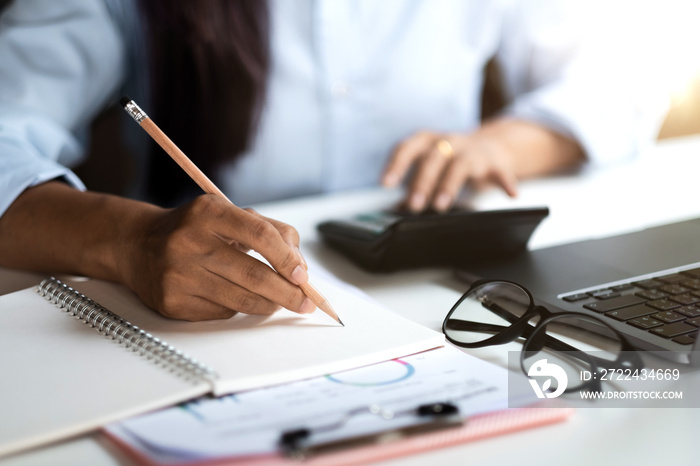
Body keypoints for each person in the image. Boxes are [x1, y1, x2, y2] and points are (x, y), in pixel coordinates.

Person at [0, 0, 665, 321]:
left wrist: (497, 144)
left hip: (441, 276)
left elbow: (622, 74)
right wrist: (130, 238)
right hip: (214, 308)